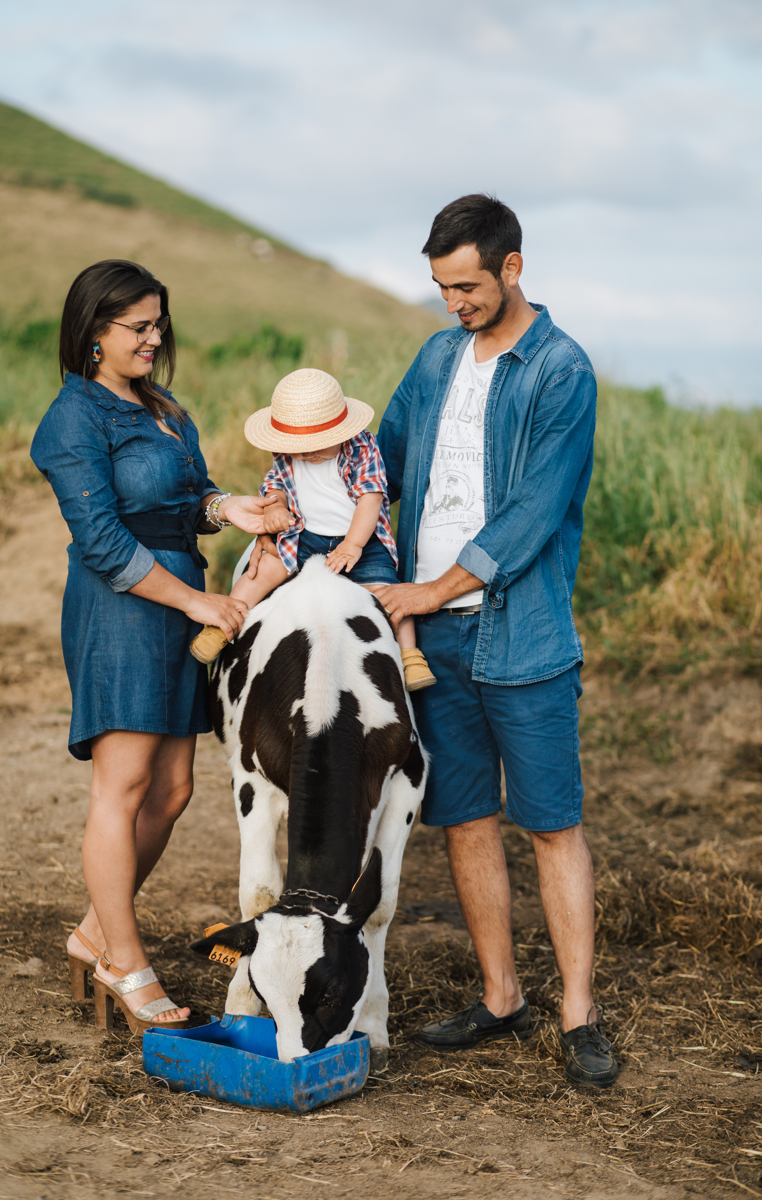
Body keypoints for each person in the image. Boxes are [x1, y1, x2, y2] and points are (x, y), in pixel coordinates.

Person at [369, 194, 618, 1088]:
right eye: (443, 288)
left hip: (524, 635)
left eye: (468, 286)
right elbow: (384, 458)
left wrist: (433, 586)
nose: (454, 303)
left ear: (512, 267)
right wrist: (312, 491)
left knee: (552, 824)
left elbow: (533, 513)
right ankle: (501, 995)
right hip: (432, 642)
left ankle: (579, 1015)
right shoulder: (437, 357)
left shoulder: (562, 370)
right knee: (465, 818)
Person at [30, 259, 279, 1034]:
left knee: (172, 791)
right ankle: (125, 962)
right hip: (122, 607)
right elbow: (102, 539)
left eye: (158, 324)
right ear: (93, 331)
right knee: (125, 784)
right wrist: (197, 600)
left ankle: (94, 933)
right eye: (137, 326)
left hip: (178, 604)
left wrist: (229, 508)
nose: (153, 338)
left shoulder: (164, 408)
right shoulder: (74, 418)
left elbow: (186, 500)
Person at [190, 367, 436, 692]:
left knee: (389, 593)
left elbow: (371, 499)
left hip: (361, 539)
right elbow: (276, 485)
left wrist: (353, 545)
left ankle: (410, 655)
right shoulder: (287, 452)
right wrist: (276, 508)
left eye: (317, 442)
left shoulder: (362, 448)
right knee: (260, 572)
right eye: (299, 444)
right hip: (304, 535)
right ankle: (223, 624)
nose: (307, 452)